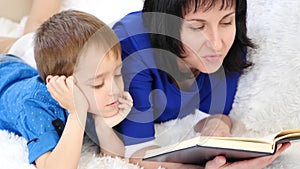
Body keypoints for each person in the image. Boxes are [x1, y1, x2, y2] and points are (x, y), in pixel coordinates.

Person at [112, 0, 291, 168]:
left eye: (226, 22)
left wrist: (217, 125)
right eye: (197, 27)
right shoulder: (132, 46)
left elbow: (207, 117)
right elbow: (136, 150)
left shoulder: (230, 49)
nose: (216, 43)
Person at [0, 9, 132, 168]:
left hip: (18, 68)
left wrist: (102, 124)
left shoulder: (93, 95)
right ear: (60, 84)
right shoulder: (35, 106)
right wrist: (77, 113)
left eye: (117, 74)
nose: (114, 89)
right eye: (98, 83)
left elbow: (116, 157)